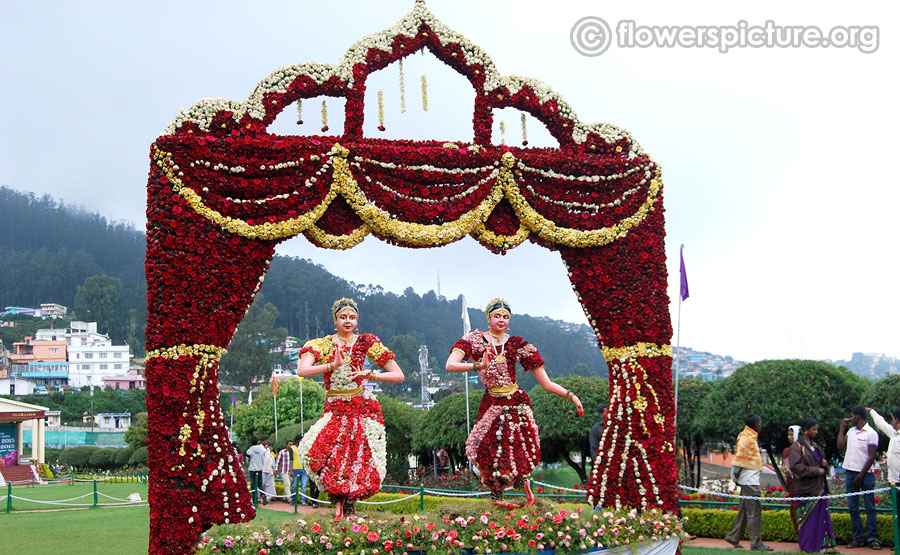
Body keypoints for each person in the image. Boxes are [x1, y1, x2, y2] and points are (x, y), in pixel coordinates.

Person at [445, 298, 583, 509]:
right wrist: (478, 365)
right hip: (492, 403)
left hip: (516, 402)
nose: (501, 320)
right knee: (488, 449)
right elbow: (450, 364)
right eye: (497, 316)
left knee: (519, 448)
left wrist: (571, 396)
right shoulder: (474, 340)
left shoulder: (518, 344)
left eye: (506, 316)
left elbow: (546, 382)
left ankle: (523, 486)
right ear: (488, 318)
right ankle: (497, 496)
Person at [296, 297, 405, 521]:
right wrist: (331, 365)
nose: (348, 321)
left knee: (355, 456)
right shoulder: (323, 344)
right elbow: (302, 370)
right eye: (343, 317)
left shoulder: (365, 342)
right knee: (313, 450)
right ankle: (338, 501)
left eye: (352, 317)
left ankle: (347, 508)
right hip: (335, 407)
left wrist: (370, 375)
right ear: (335, 320)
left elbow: (398, 375)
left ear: (357, 320)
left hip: (359, 406)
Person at [789, 418, 838, 553]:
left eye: (817, 429)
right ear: (805, 430)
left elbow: (820, 463)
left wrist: (824, 464)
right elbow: (795, 466)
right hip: (806, 488)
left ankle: (824, 546)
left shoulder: (816, 446)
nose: (816, 432)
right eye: (813, 429)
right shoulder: (796, 447)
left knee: (821, 518)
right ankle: (809, 546)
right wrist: (815, 470)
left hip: (818, 487)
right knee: (809, 520)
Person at [724, 413, 772, 551]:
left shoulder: (747, 436)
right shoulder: (748, 438)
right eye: (760, 423)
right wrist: (736, 473)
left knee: (745, 510)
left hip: (748, 479)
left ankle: (733, 537)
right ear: (756, 425)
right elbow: (740, 457)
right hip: (750, 480)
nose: (760, 426)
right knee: (754, 512)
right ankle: (756, 543)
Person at [837, 406, 881, 549]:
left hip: (865, 474)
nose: (850, 418)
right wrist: (842, 428)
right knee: (853, 507)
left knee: (870, 507)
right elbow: (840, 446)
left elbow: (871, 456)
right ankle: (858, 538)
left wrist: (861, 475)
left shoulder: (871, 433)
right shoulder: (851, 431)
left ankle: (872, 538)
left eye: (852, 416)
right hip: (850, 472)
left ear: (858, 416)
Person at [867, 407, 900, 485]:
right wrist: (871, 411)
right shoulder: (894, 434)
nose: (892, 422)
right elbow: (882, 424)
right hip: (893, 480)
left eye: (893, 419)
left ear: (897, 420)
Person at [781, 425, 801, 534]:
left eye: (792, 435)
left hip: (804, 486)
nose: (789, 437)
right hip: (792, 486)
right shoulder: (787, 451)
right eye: (788, 435)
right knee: (794, 512)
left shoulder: (804, 449)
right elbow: (785, 469)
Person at [245, 436, 268, 504]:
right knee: (260, 484)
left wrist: (249, 464)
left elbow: (247, 459)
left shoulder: (249, 450)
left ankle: (255, 499)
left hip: (252, 469)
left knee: (253, 485)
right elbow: (264, 456)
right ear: (257, 442)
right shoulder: (262, 449)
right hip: (260, 468)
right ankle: (263, 495)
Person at [290, 434, 311, 506]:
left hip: (303, 469)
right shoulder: (292, 448)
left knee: (304, 486)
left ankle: (303, 500)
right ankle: (293, 499)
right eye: (300, 440)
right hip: (295, 469)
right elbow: (291, 460)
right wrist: (291, 470)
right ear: (297, 441)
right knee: (294, 486)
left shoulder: (304, 448)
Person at [276, 440, 294, 505]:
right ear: (286, 445)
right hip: (284, 471)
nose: (290, 446)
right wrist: (276, 469)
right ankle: (290, 499)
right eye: (289, 444)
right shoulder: (282, 452)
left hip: (290, 471)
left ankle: (284, 497)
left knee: (288, 484)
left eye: (292, 444)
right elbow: (277, 461)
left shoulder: (293, 452)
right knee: (287, 484)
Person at [260, 439, 277, 505]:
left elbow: (272, 462)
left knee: (270, 485)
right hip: (263, 470)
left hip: (269, 471)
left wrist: (274, 470)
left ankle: (268, 498)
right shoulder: (261, 450)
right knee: (263, 484)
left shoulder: (269, 453)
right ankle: (261, 498)